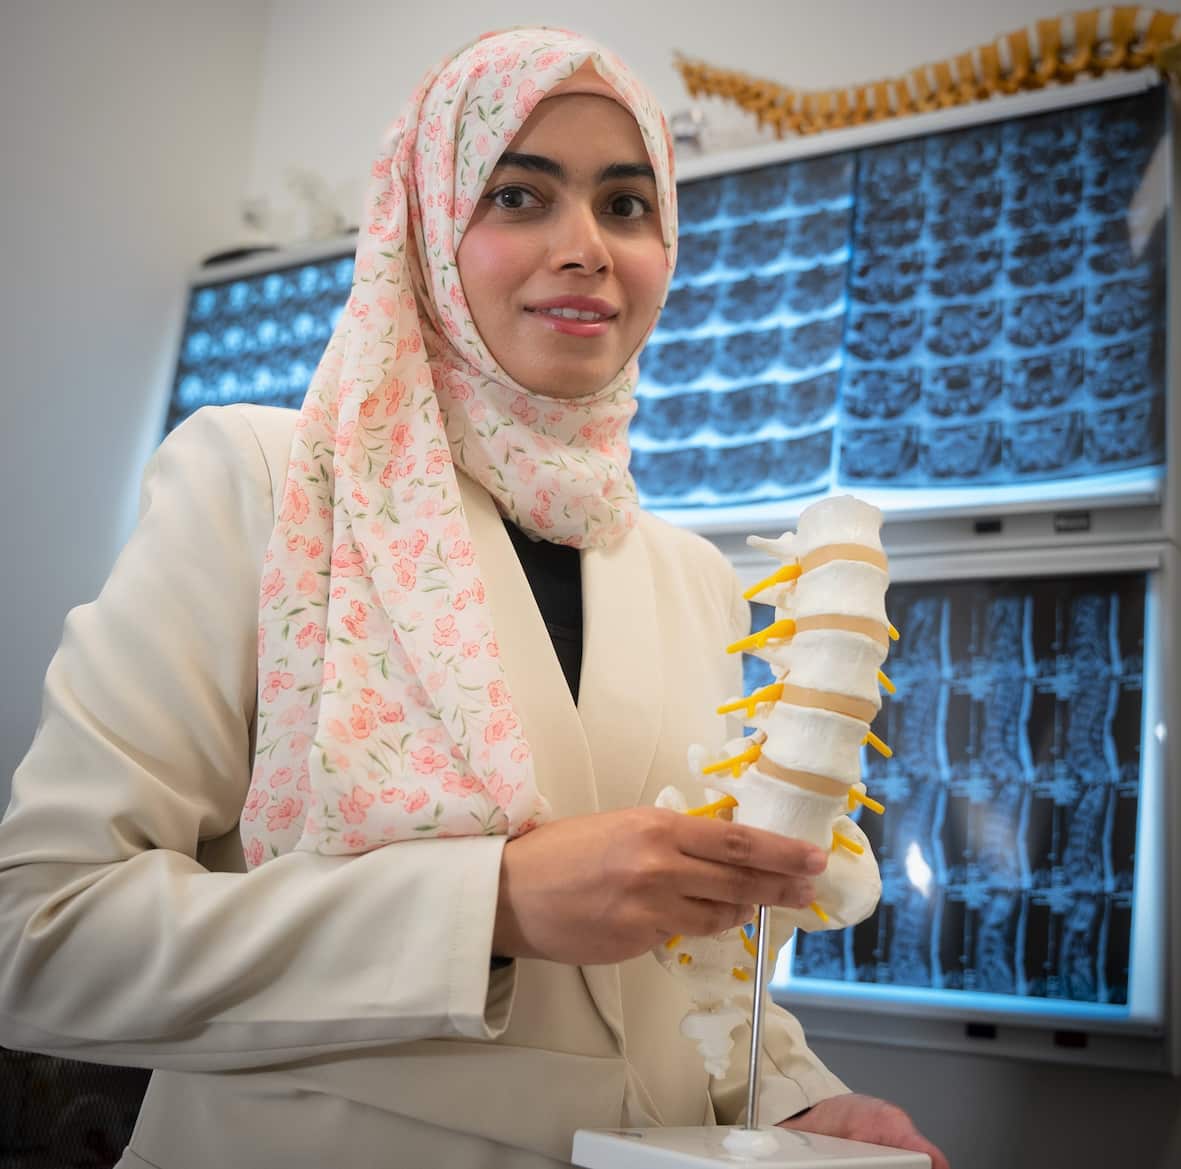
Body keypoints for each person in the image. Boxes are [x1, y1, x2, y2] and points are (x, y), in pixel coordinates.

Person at [0, 27, 948, 1169]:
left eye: (626, 205)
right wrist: (485, 905)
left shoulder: (693, 576)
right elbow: (40, 938)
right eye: (517, 196)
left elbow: (675, 966)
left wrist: (788, 1093)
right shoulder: (263, 478)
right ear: (424, 230)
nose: (586, 248)